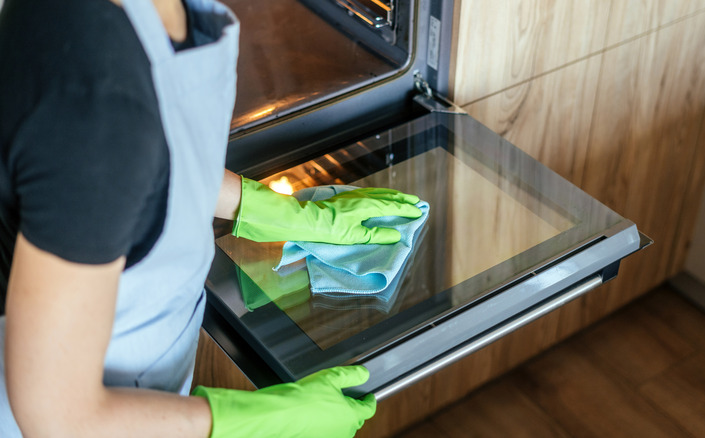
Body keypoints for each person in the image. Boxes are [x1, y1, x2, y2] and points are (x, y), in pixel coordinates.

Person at [0, 0, 422, 436]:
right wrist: (257, 423)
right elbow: (60, 420)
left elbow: (151, 160)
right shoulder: (92, 93)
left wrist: (283, 214)